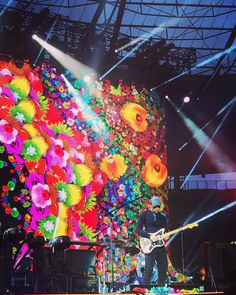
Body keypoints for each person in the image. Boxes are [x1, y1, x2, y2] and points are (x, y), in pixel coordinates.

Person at [136, 196, 168, 285]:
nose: (157, 208)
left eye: (158, 206)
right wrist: (149, 236)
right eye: (155, 207)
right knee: (149, 268)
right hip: (150, 245)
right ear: (150, 205)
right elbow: (137, 230)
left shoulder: (163, 217)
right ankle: (145, 290)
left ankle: (160, 288)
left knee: (163, 268)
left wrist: (166, 236)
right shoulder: (144, 215)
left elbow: (166, 231)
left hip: (160, 246)